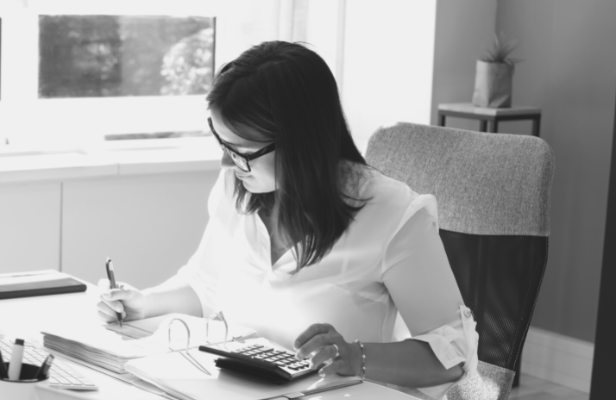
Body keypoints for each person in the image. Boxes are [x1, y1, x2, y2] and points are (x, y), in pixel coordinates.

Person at [95, 41, 477, 397]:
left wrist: (354, 356)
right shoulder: (237, 189)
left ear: (299, 143)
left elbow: (454, 354)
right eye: (223, 144)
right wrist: (144, 304)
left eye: (241, 150)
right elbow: (206, 285)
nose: (227, 163)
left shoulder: (395, 216)